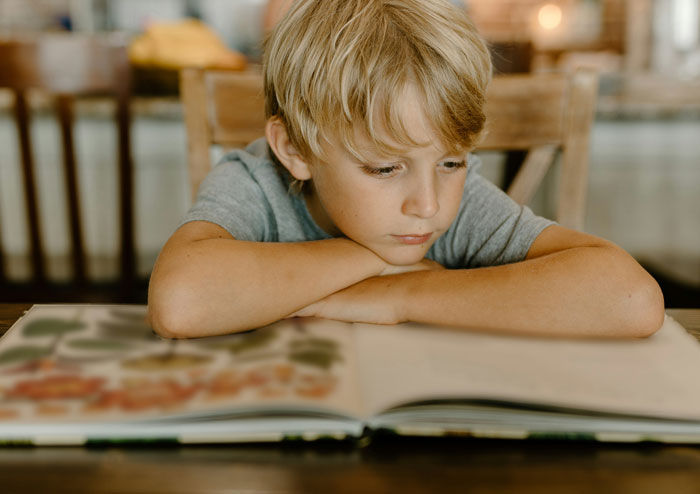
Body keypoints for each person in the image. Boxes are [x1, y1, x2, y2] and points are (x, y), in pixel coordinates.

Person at [148, 0, 664, 339]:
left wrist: (399, 294)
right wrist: (376, 257)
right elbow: (180, 301)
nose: (429, 205)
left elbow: (629, 298)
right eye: (384, 168)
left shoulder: (457, 207)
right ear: (294, 149)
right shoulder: (254, 183)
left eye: (451, 161)